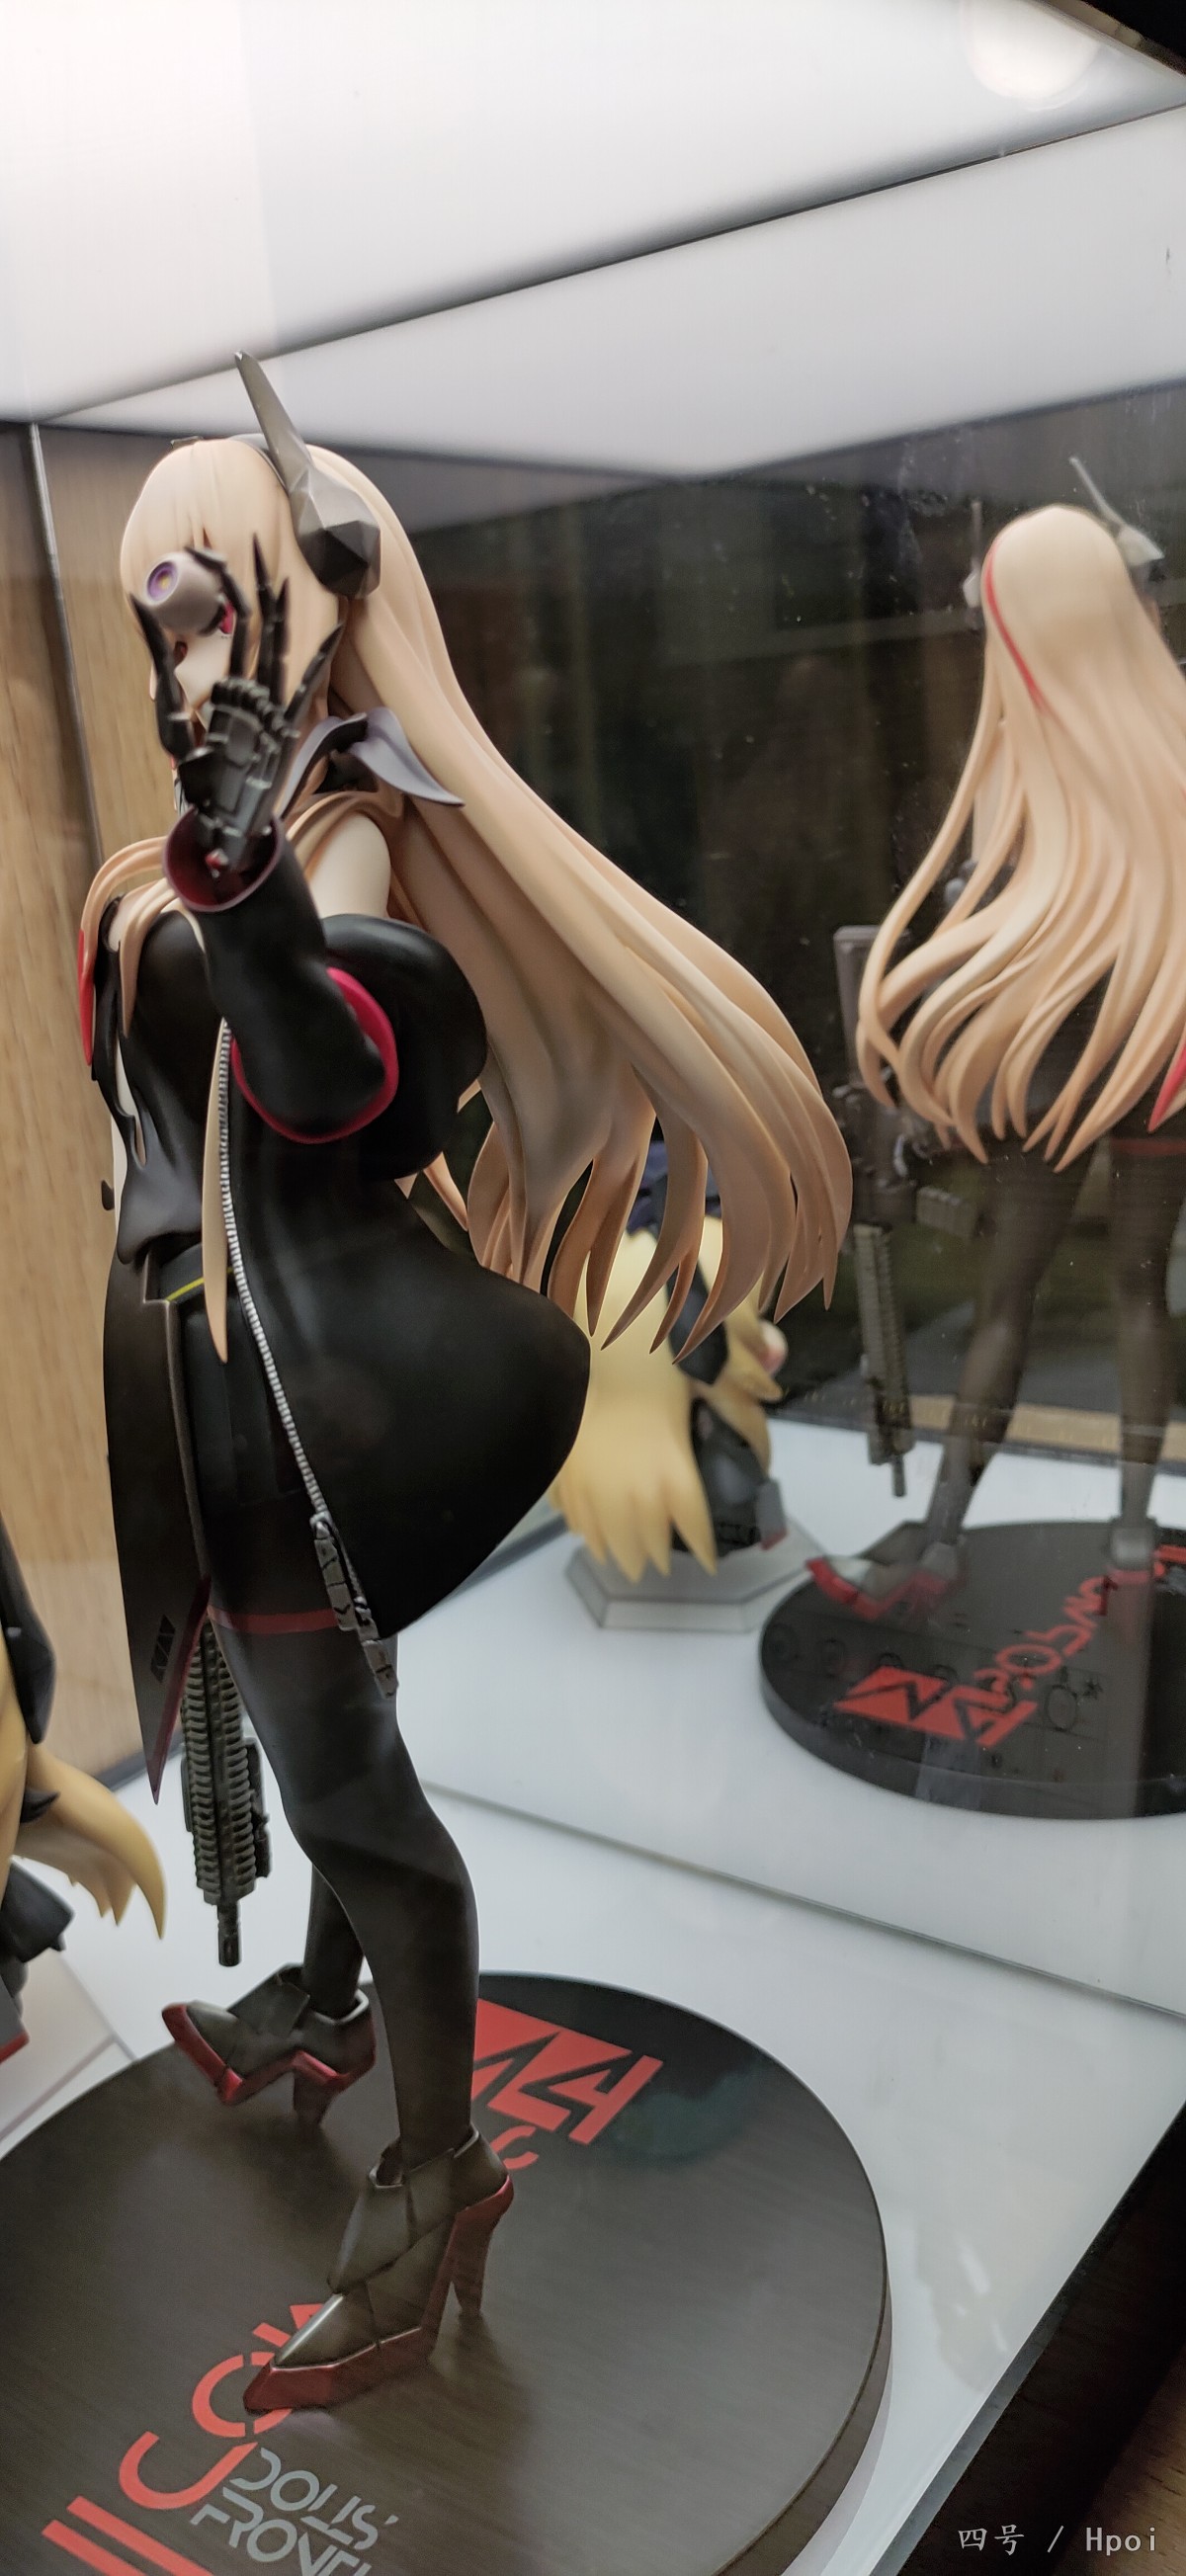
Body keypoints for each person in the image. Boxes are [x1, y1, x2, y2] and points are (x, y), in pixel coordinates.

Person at [78, 364, 850, 2409]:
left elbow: (336, 1075)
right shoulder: (211, 847)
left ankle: (441, 2174)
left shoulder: (337, 851)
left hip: (321, 1395)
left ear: (309, 604)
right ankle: (332, 2006)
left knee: (354, 1790)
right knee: (326, 1730)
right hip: (205, 1377)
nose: (177, 654)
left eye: (207, 601)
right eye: (156, 612)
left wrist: (239, 867)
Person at [818, 500, 1186, 1617]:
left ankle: (944, 1535)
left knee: (1013, 1302)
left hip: (1061, 1068)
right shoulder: (1155, 747)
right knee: (1130, 1293)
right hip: (1134, 1064)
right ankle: (1127, 1530)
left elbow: (989, 934)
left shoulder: (1022, 776)